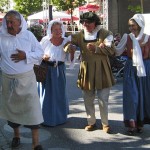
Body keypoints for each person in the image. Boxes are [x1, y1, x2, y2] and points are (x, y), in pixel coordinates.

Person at [65, 12, 116, 133]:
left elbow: (112, 51)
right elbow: (66, 43)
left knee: (103, 99)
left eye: (88, 22)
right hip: (86, 70)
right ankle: (91, 122)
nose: (85, 25)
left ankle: (105, 123)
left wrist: (97, 49)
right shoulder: (79, 35)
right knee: (88, 98)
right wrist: (69, 48)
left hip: (102, 69)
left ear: (95, 22)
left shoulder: (105, 33)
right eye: (83, 22)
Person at [0, 10, 44, 150]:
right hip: (8, 80)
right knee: (13, 112)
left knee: (33, 110)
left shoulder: (28, 35)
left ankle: (35, 144)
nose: (9, 24)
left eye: (12, 21)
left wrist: (25, 55)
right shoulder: (1, 37)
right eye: (7, 21)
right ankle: (16, 136)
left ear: (20, 22)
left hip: (27, 80)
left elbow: (40, 53)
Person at [115, 14, 150, 135]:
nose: (131, 28)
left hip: (146, 69)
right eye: (130, 26)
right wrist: (107, 47)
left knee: (143, 96)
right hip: (131, 68)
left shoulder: (148, 38)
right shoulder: (127, 37)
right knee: (131, 96)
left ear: (140, 25)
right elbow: (117, 51)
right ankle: (131, 124)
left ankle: (140, 123)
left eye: (133, 25)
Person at [39, 20, 74, 127]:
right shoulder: (45, 40)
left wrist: (72, 51)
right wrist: (43, 57)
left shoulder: (66, 41)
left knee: (59, 94)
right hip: (46, 69)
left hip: (59, 70)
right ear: (51, 30)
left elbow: (69, 60)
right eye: (55, 30)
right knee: (46, 95)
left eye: (60, 29)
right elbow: (37, 53)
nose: (58, 32)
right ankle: (45, 117)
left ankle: (60, 117)